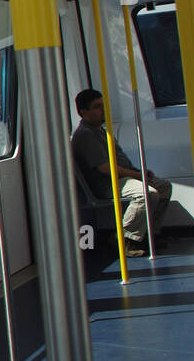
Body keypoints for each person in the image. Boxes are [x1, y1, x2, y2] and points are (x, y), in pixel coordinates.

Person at [71, 88, 170, 256]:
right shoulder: (85, 135)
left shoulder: (100, 131)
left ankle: (147, 235)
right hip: (106, 183)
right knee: (146, 194)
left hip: (122, 177)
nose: (103, 110)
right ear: (83, 112)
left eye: (103, 106)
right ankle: (123, 239)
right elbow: (105, 168)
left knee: (164, 187)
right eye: (97, 107)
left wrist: (140, 172)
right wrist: (138, 176)